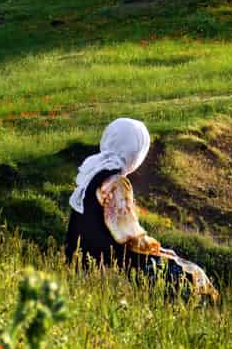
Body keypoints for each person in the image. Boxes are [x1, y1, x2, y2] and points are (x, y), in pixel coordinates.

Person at [64, 116, 217, 300]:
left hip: (82, 259)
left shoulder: (91, 173)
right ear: (135, 152)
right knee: (193, 273)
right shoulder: (117, 183)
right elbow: (129, 237)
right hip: (110, 263)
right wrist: (157, 249)